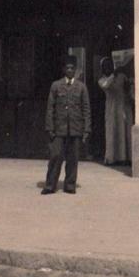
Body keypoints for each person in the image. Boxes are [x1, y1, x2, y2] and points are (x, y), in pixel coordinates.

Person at [42, 55, 91, 195]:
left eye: (72, 68)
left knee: (73, 158)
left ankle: (70, 185)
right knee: (55, 156)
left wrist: (86, 129)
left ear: (75, 70)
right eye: (67, 68)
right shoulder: (56, 85)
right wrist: (50, 128)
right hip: (59, 129)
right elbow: (50, 108)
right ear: (64, 69)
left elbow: (86, 109)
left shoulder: (81, 87)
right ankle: (50, 185)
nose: (70, 70)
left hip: (75, 129)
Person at [98, 57, 132, 165]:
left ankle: (124, 158)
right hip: (111, 109)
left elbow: (128, 89)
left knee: (124, 132)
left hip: (123, 107)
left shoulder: (122, 77)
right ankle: (111, 158)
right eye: (105, 66)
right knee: (112, 132)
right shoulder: (102, 80)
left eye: (110, 65)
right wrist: (114, 74)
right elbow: (106, 85)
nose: (108, 68)